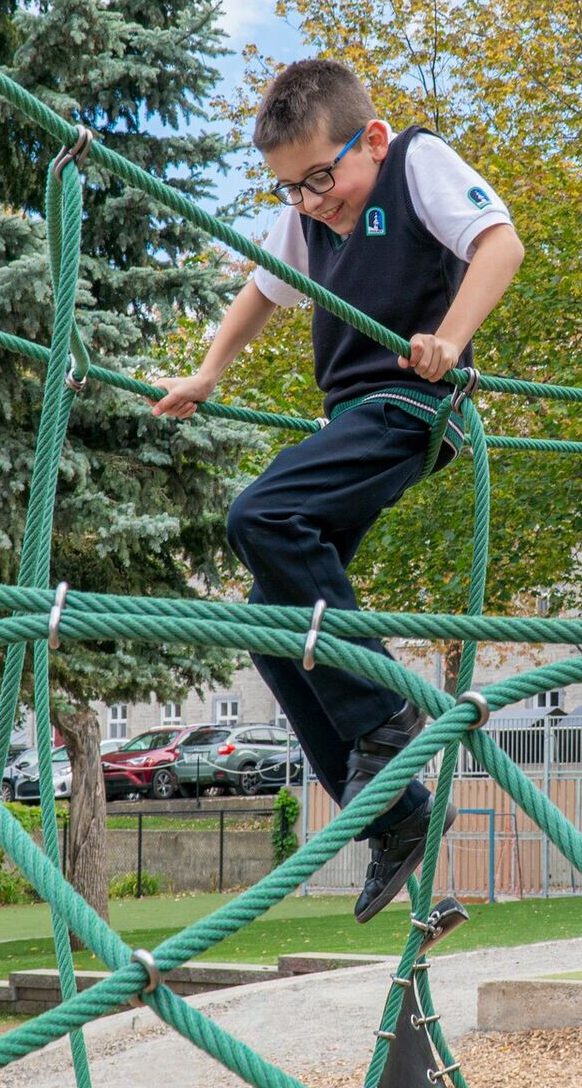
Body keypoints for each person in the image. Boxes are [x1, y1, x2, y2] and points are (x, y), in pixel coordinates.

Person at [153, 58, 524, 920]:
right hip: (355, 416)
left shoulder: (415, 161)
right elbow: (260, 289)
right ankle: (397, 817)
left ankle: (385, 719)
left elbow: (499, 242)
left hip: (414, 403)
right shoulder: (310, 217)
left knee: (262, 514)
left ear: (372, 140)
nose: (314, 201)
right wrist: (210, 369)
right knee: (273, 624)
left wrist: (448, 335)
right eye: (292, 189)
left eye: (323, 177)